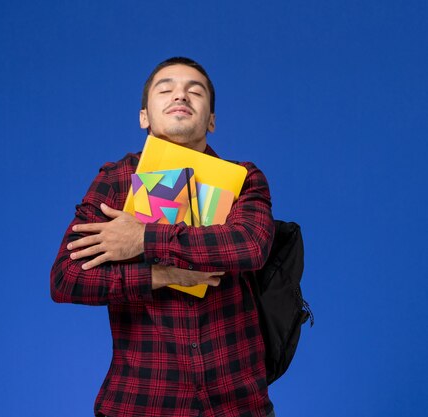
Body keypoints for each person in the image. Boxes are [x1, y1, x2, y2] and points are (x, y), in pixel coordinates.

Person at [50, 57, 276, 417]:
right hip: (141, 402)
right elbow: (67, 278)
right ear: (144, 117)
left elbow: (249, 245)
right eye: (166, 89)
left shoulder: (244, 178)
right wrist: (161, 275)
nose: (181, 96)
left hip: (237, 403)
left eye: (195, 91)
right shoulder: (117, 179)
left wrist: (142, 239)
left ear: (212, 120)